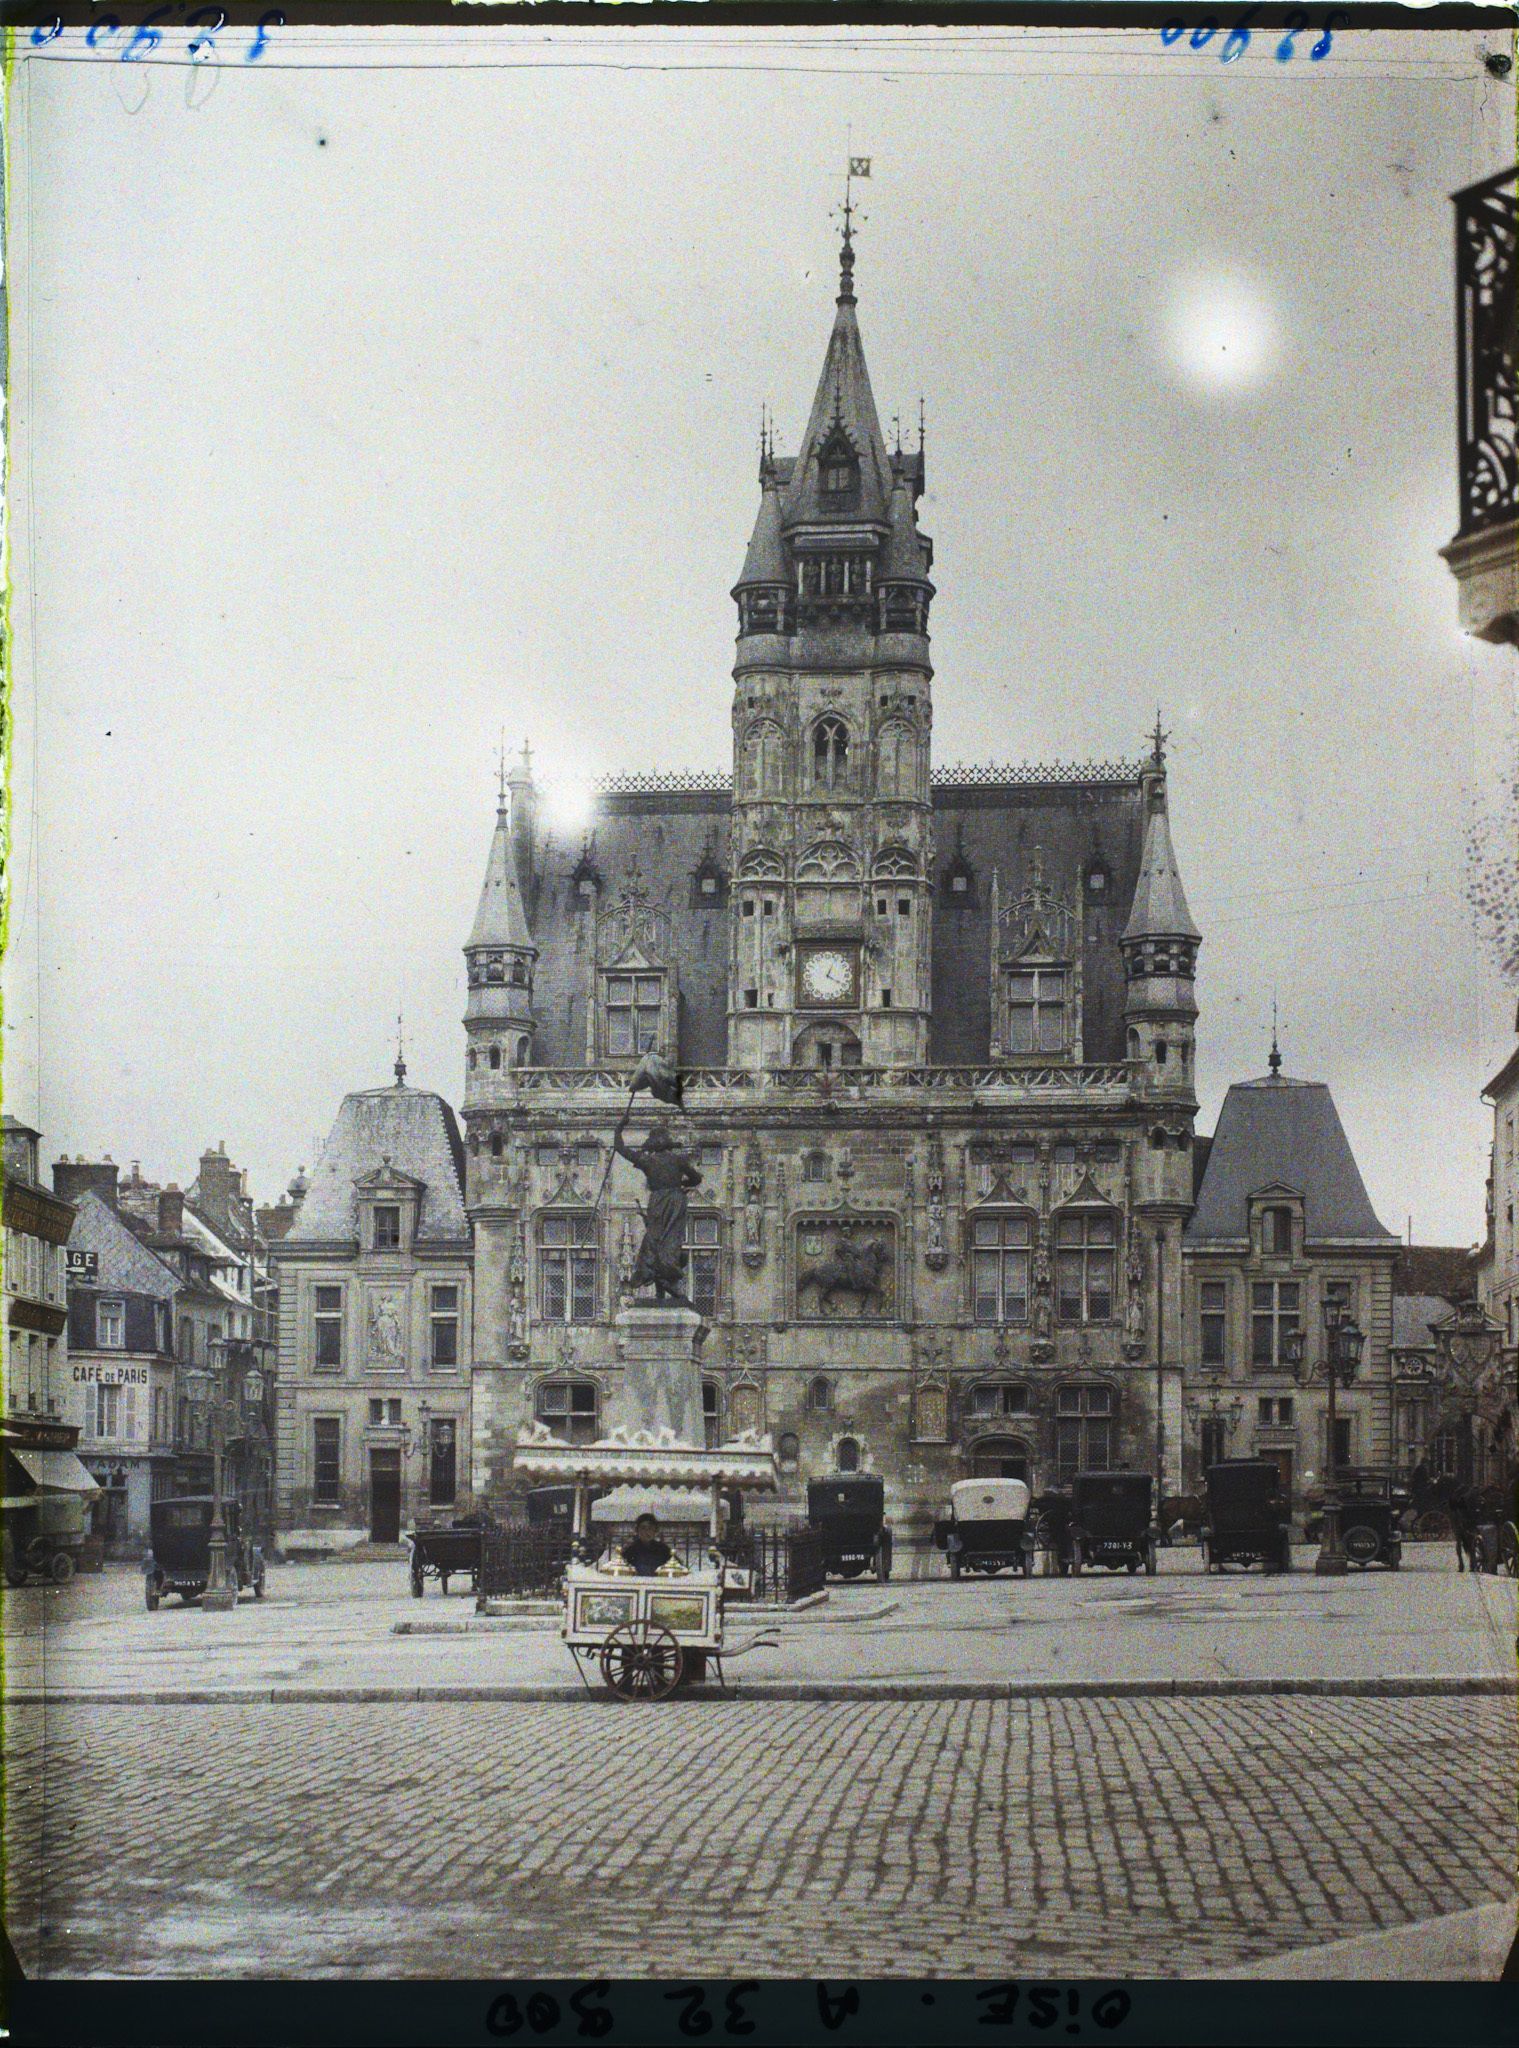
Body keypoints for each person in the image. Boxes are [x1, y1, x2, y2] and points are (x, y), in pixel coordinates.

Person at [612, 1111, 704, 1319]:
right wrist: (681, 1185)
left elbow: (620, 1148)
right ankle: (666, 1284)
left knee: (655, 1240)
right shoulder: (678, 1160)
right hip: (675, 1201)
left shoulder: (648, 1162)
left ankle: (660, 1282)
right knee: (671, 1241)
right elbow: (696, 1178)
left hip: (658, 1202)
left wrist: (620, 1128)